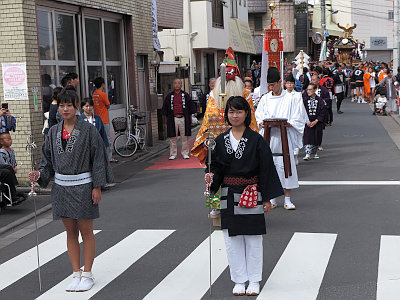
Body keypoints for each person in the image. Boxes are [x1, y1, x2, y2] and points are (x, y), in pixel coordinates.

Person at [28, 89, 113, 293]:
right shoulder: (53, 132)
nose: (65, 109)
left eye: (69, 105)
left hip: (84, 185)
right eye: (62, 105)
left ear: (77, 107)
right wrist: (39, 175)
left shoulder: (89, 130)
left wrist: (97, 186)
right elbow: (46, 161)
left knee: (86, 231)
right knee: (70, 232)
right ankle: (76, 272)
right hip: (61, 187)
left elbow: (98, 159)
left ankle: (88, 273)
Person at [206, 96, 283, 296]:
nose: (235, 115)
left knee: (253, 239)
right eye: (231, 112)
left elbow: (266, 169)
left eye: (239, 111)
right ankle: (239, 280)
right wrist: (211, 178)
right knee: (232, 240)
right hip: (228, 194)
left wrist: (266, 198)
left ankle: (254, 280)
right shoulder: (220, 140)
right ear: (227, 115)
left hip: (251, 193)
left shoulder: (256, 139)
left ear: (247, 114)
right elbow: (215, 168)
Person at [255, 67, 308, 210]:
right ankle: (271, 197)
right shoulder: (266, 98)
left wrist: (291, 123)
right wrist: (261, 122)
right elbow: (259, 114)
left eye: (274, 84)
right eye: (269, 85)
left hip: (285, 136)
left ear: (280, 82)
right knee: (269, 166)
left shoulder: (291, 97)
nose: (271, 88)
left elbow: (298, 116)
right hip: (270, 137)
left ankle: (287, 198)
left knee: (287, 165)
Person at [162, 79, 196, 160]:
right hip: (173, 118)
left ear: (181, 85)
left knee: (184, 137)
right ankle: (173, 153)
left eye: (178, 83)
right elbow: (165, 109)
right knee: (173, 137)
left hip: (183, 118)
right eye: (175, 83)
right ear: (173, 85)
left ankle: (185, 153)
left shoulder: (185, 95)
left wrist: (190, 118)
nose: (177, 85)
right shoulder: (169, 96)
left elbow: (191, 107)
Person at [285, 73, 309, 165]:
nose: (290, 85)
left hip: (295, 119)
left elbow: (301, 108)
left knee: (295, 138)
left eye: (291, 83)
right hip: (285, 119)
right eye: (288, 83)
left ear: (294, 84)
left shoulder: (298, 95)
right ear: (285, 84)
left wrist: (302, 120)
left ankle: (295, 156)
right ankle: (287, 157)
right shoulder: (283, 95)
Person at [92, 77, 117, 163]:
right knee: (107, 139)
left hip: (96, 119)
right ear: (102, 84)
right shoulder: (102, 94)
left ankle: (99, 157)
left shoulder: (94, 94)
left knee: (98, 139)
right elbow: (108, 105)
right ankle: (109, 157)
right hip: (104, 119)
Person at [303, 84, 326, 160]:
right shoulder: (304, 100)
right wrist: (306, 121)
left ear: (314, 90)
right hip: (307, 121)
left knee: (316, 137)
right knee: (307, 137)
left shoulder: (320, 100)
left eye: (310, 89)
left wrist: (316, 120)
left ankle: (314, 152)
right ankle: (307, 153)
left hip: (317, 122)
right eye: (307, 89)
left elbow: (323, 111)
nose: (308, 91)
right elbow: (302, 111)